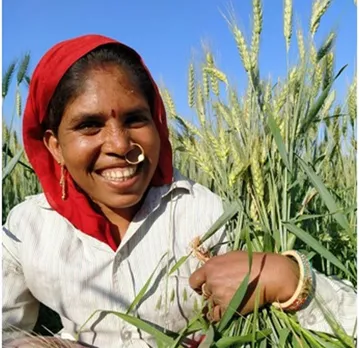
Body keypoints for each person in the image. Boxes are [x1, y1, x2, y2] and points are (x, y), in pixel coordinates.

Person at [2, 34, 356, 348]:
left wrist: (287, 279)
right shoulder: (27, 229)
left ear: (157, 123)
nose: (120, 144)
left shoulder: (206, 214)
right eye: (89, 125)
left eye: (135, 120)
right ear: (54, 147)